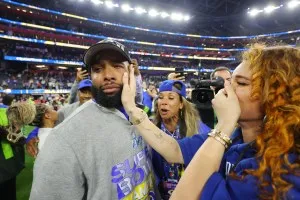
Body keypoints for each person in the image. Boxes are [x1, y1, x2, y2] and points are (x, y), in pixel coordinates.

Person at [120, 44, 300, 200]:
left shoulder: (286, 170)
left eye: (242, 83)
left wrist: (224, 125)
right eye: (229, 82)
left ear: (277, 99)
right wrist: (131, 107)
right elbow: (173, 150)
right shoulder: (235, 138)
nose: (226, 89)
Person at [30, 39, 156, 200]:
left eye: (117, 66)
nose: (108, 75)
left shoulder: (141, 116)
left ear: (131, 71)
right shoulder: (64, 138)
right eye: (98, 69)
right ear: (91, 76)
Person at [152, 80, 211, 199]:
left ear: (181, 104)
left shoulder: (199, 130)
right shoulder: (151, 130)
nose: (164, 102)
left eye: (170, 98)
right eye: (161, 97)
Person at [0, 102, 36, 200]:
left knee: (9, 191)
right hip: (4, 165)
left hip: (10, 165)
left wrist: (24, 140)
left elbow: (21, 136)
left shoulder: (9, 111)